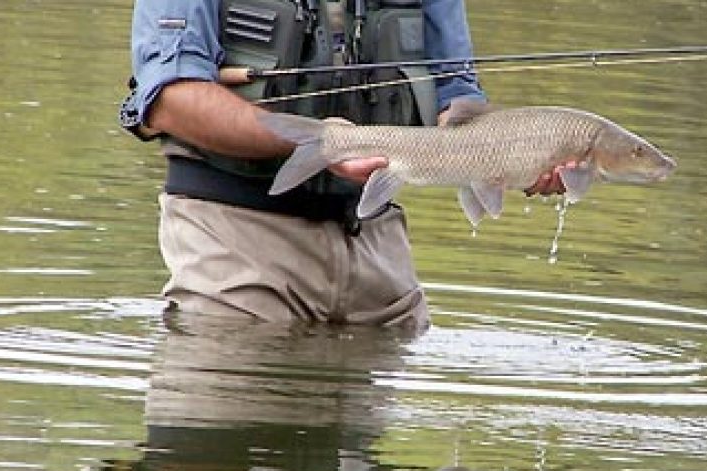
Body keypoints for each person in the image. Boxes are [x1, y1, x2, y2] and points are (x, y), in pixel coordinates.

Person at [122, 0, 566, 330]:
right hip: (233, 246)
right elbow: (172, 101)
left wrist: (517, 156)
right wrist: (327, 145)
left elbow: (455, 98)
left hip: (377, 253)